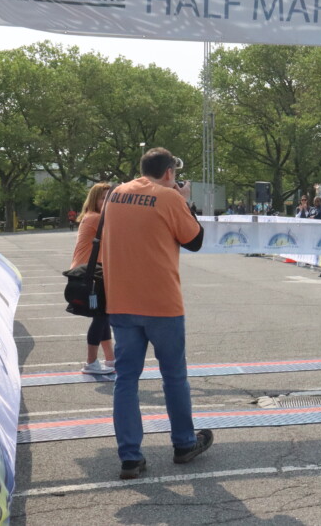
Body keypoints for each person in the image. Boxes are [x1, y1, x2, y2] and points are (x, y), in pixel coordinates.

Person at [102, 148, 212, 480]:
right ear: (167, 173)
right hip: (161, 302)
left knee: (126, 380)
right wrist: (185, 201)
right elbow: (195, 240)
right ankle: (183, 444)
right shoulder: (168, 198)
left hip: (121, 300)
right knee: (174, 377)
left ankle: (130, 457)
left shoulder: (116, 194)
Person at [70, 182, 115, 375]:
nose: (107, 202)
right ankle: (90, 362)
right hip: (91, 274)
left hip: (92, 272)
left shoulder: (92, 217)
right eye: (103, 198)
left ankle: (111, 360)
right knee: (101, 317)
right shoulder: (97, 218)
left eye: (110, 198)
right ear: (94, 200)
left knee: (102, 316)